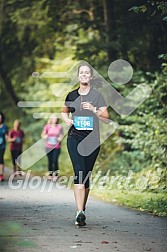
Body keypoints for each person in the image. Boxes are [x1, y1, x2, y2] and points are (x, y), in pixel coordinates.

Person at [61, 63, 109, 226]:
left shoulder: (97, 96)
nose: (84, 75)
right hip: (74, 137)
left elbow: (106, 117)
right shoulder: (71, 95)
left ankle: (82, 210)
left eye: (87, 72)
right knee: (80, 172)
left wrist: (94, 109)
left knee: (86, 175)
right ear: (78, 76)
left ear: (91, 76)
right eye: (81, 72)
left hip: (93, 140)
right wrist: (67, 120)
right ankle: (79, 212)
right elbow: (64, 111)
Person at [41, 114, 63, 181]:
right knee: (50, 161)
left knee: (55, 160)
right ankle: (50, 175)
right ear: (51, 119)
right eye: (53, 118)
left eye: (56, 118)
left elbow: (62, 135)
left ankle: (56, 175)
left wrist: (59, 138)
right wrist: (45, 136)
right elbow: (42, 135)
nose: (54, 120)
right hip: (48, 146)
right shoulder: (47, 126)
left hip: (57, 146)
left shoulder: (59, 127)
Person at [0, 112, 8, 182]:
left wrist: (9, 139)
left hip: (2, 146)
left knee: (1, 158)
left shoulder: (5, 127)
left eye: (0, 117)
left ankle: (1, 174)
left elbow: (6, 136)